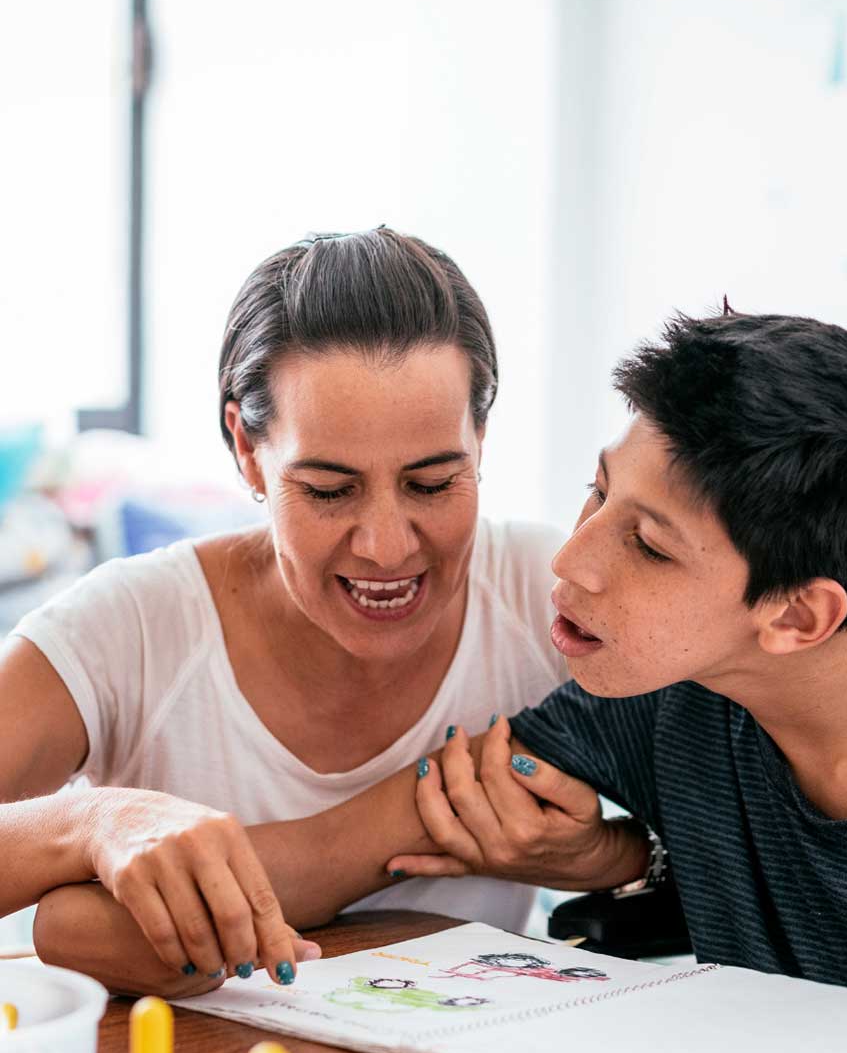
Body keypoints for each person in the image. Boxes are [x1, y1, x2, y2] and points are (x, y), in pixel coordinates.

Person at [1, 227, 605, 996]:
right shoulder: (134, 628)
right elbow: (70, 932)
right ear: (247, 449)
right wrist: (91, 823)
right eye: (329, 490)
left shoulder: (542, 595)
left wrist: (606, 855)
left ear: (479, 437)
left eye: (431, 484)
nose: (387, 547)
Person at [388, 308, 847, 996]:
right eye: (598, 490)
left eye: (651, 546)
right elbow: (351, 842)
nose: (571, 558)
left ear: (798, 615)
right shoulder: (678, 685)